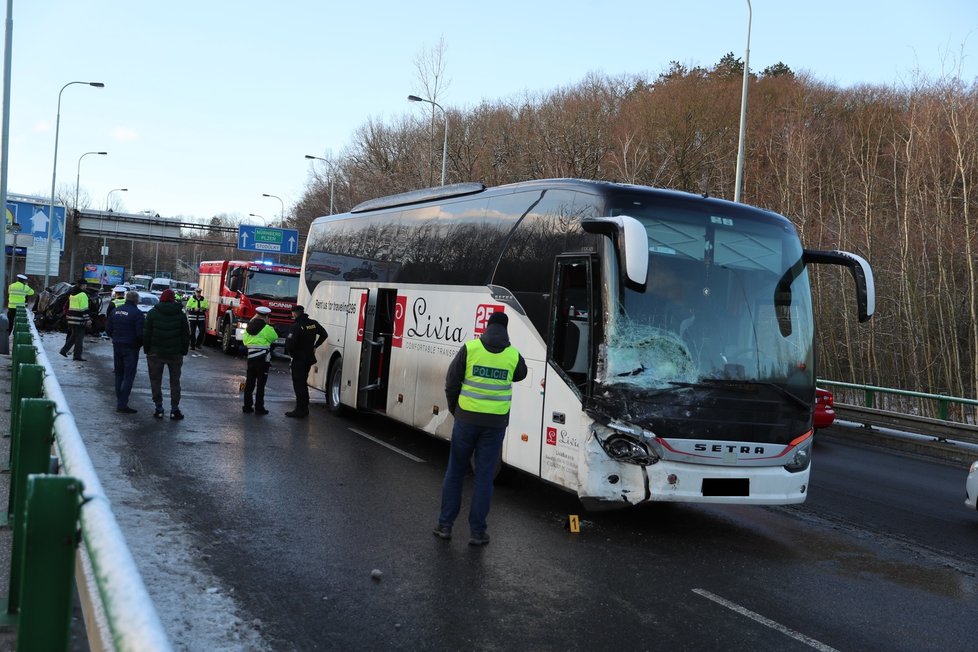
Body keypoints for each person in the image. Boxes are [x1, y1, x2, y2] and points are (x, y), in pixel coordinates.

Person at [433, 310, 527, 546]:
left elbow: (451, 382)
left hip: (466, 421)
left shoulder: (470, 348)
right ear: (505, 330)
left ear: (487, 326)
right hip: (494, 426)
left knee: (455, 472)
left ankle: (445, 525)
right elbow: (521, 375)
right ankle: (477, 532)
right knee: (484, 478)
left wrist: (456, 410)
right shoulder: (513, 355)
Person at [143, 288, 190, 420]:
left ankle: (159, 408)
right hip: (175, 354)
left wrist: (147, 349)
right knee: (175, 382)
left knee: (155, 381)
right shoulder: (180, 314)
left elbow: (146, 333)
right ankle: (174, 409)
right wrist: (183, 350)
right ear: (173, 298)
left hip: (155, 353)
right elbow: (186, 335)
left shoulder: (152, 313)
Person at [284, 305, 327, 418]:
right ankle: (305, 408)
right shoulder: (313, 323)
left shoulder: (296, 326)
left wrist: (291, 354)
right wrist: (315, 346)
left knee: (299, 384)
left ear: (294, 314)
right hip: (308, 358)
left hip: (298, 359)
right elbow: (324, 334)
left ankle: (300, 409)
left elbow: (289, 345)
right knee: (303, 383)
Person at [106, 291, 145, 413]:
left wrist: (116, 338)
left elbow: (108, 329)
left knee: (119, 375)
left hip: (117, 345)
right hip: (131, 348)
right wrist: (139, 344)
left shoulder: (115, 311)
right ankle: (122, 404)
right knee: (129, 376)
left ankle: (120, 401)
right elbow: (140, 334)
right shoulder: (137, 314)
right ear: (136, 300)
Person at [242, 306, 278, 416]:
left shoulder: (248, 327)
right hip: (263, 359)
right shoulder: (267, 328)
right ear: (266, 316)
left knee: (249, 383)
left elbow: (245, 341)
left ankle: (247, 406)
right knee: (261, 385)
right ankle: (259, 408)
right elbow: (274, 337)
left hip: (251, 358)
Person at [59, 280, 90, 361]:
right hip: (79, 319)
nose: (85, 287)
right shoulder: (83, 295)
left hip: (71, 318)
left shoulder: (72, 294)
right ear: (81, 286)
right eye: (85, 285)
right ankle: (77, 355)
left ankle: (63, 350)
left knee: (74, 336)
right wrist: (88, 319)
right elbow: (84, 309)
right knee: (79, 338)